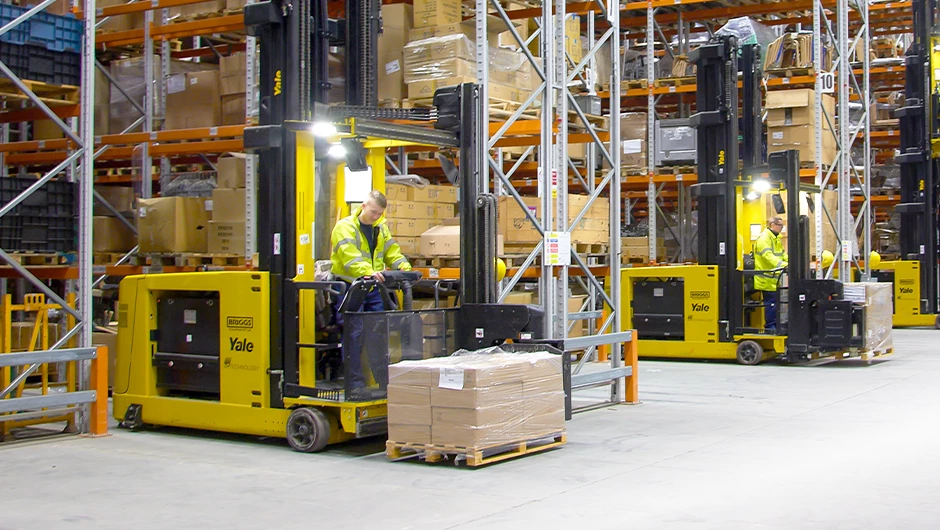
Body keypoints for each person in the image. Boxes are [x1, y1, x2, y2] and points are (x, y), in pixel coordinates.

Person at [330, 190, 412, 395]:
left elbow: (392, 251)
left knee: (377, 335)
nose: (376, 216)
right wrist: (370, 273)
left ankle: (383, 383)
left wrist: (404, 268)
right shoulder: (344, 228)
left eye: (380, 213)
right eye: (374, 212)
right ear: (364, 205)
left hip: (373, 288)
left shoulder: (380, 228)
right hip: (351, 288)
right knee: (354, 335)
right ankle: (355, 385)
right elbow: (351, 259)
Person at [754, 216, 788, 331]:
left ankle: (776, 325)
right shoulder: (764, 239)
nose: (782, 228)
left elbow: (782, 255)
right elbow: (768, 256)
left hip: (774, 278)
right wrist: (783, 265)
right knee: (771, 304)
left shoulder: (776, 238)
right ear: (772, 225)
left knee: (777, 303)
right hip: (766, 278)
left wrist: (791, 262)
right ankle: (770, 327)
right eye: (780, 226)